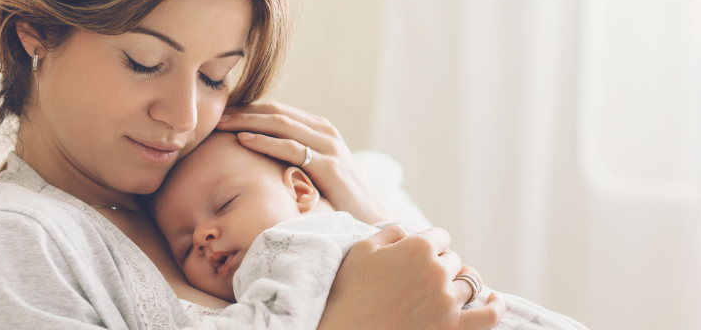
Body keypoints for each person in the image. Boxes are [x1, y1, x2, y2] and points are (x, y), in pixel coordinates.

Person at [0, 0, 516, 329]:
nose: (182, 116)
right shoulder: (12, 239)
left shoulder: (227, 181)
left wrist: (361, 212)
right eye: (145, 62)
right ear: (36, 34)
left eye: (214, 76)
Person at [152, 132, 589, 330]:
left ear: (301, 191)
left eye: (224, 204)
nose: (204, 236)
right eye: (184, 245)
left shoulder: (285, 246)